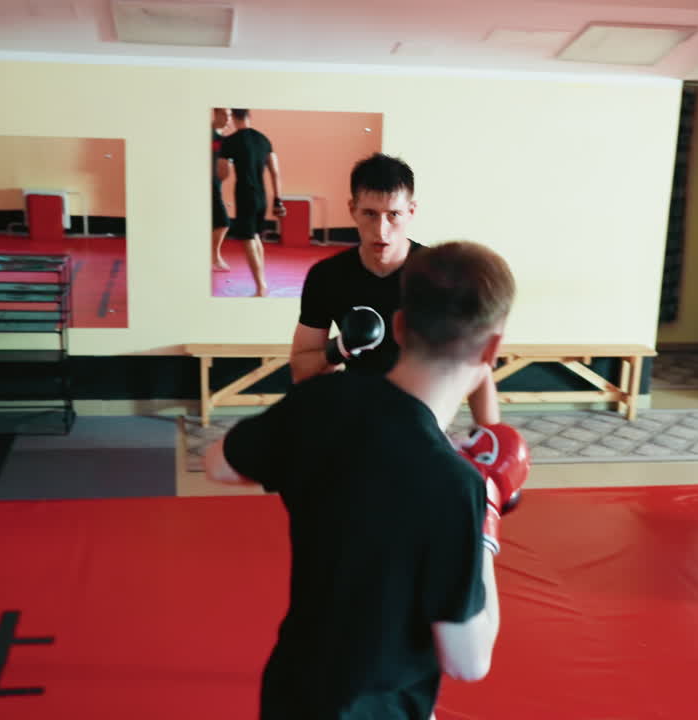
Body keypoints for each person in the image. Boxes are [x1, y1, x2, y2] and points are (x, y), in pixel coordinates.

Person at [204, 241, 528, 720]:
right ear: (493, 350)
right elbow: (468, 659)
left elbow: (218, 463)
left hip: (293, 688)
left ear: (398, 324)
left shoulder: (323, 401)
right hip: (379, 706)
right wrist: (488, 516)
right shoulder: (455, 486)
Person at [289, 153, 502, 427]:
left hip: (422, 416)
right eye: (370, 214)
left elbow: (477, 365)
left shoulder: (440, 274)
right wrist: (340, 347)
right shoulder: (327, 277)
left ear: (411, 211)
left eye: (393, 215)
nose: (381, 229)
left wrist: (493, 437)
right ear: (352, 209)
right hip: (356, 413)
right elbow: (300, 370)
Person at [218, 108, 285, 296]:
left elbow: (222, 174)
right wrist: (278, 200)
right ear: (249, 116)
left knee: (248, 240)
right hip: (261, 197)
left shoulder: (230, 141)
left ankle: (261, 286)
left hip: (245, 195)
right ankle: (261, 280)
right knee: (255, 236)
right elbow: (275, 172)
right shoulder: (264, 140)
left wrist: (223, 161)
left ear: (234, 118)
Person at [211, 107, 233, 272]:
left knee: (219, 222)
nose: (228, 118)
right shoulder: (204, 133)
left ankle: (213, 258)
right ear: (216, 113)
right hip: (205, 185)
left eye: (231, 115)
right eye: (225, 114)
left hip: (215, 185)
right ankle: (214, 258)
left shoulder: (224, 140)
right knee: (223, 222)